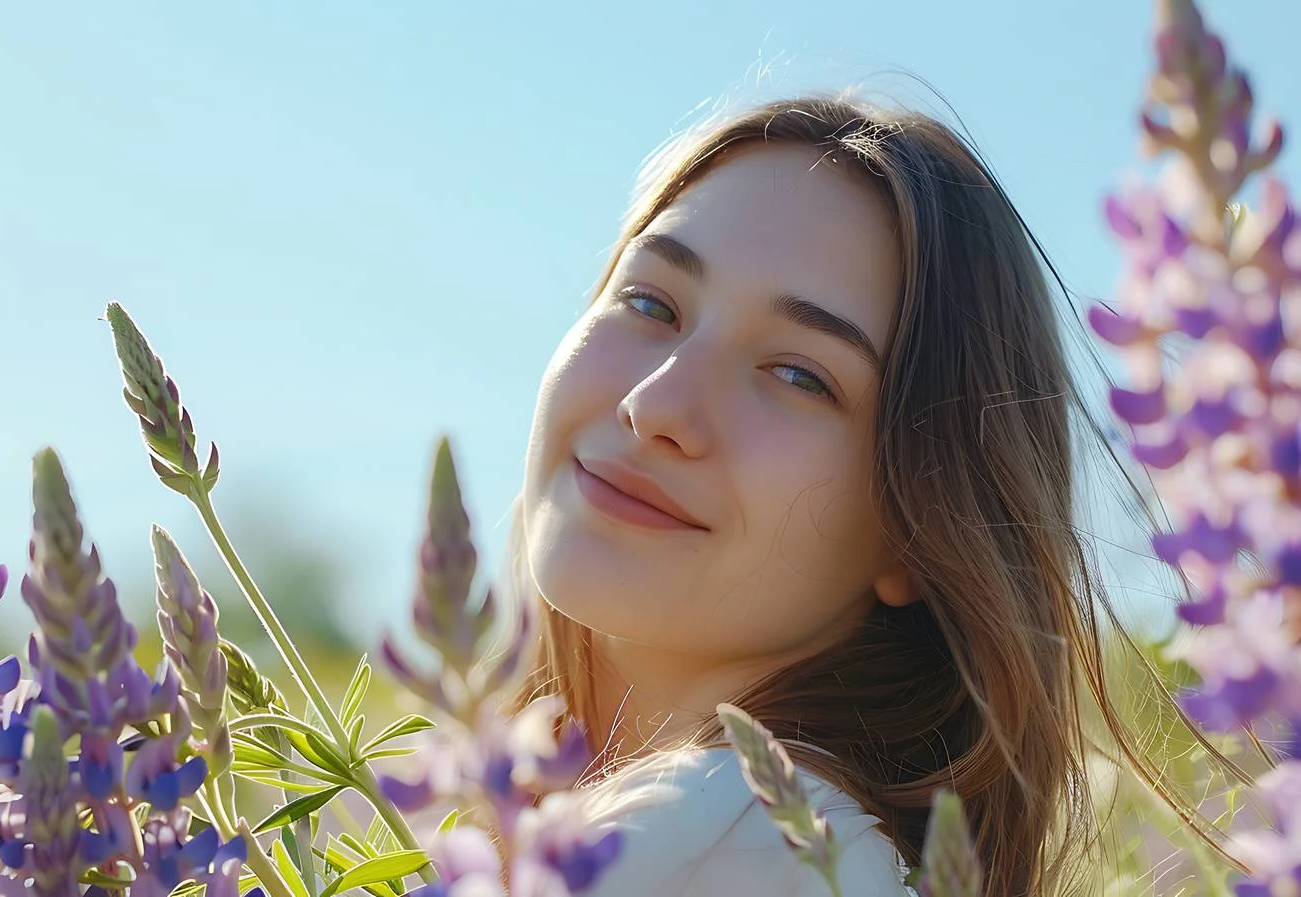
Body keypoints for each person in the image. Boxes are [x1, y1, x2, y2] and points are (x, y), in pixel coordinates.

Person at [499, 95, 1230, 896]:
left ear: (917, 527)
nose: (657, 405)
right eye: (650, 302)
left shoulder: (736, 841)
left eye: (798, 374)